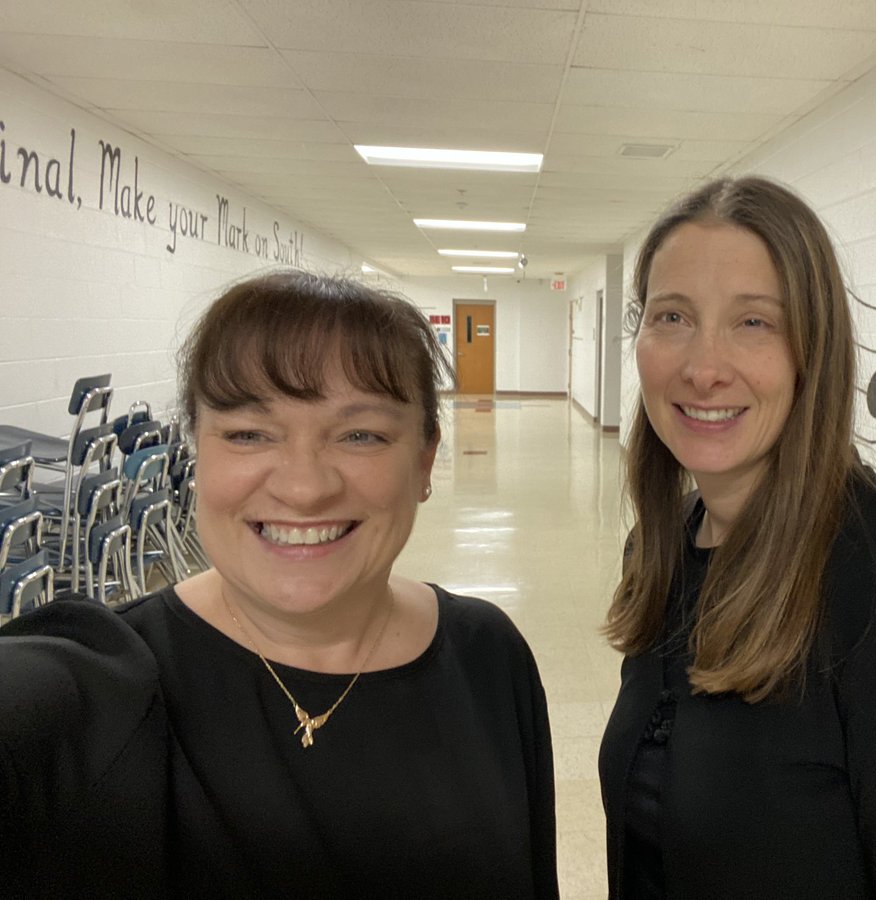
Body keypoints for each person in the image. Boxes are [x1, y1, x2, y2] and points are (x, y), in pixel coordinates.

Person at [0, 271, 558, 898]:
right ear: (198, 451)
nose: (303, 487)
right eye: (248, 434)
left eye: (360, 435)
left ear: (424, 461)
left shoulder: (488, 654)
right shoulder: (96, 688)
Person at [598, 177, 876, 898]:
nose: (703, 367)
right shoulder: (664, 553)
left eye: (754, 324)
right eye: (672, 315)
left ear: (815, 350)